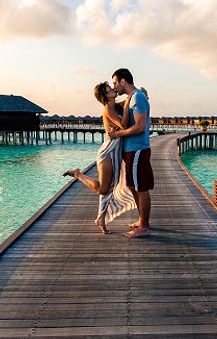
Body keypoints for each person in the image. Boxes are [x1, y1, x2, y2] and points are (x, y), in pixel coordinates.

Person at [62, 82, 137, 234]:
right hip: (108, 152)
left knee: (110, 187)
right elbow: (123, 125)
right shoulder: (108, 109)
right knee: (103, 188)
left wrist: (136, 96)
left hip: (115, 151)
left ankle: (100, 219)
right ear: (105, 95)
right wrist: (128, 102)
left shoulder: (114, 106)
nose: (113, 89)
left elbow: (128, 102)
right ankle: (78, 174)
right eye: (109, 89)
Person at [108, 68, 153, 238]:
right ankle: (142, 221)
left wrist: (117, 134)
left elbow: (140, 126)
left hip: (137, 149)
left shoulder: (137, 98)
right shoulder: (133, 98)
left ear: (123, 81)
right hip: (131, 150)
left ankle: (145, 227)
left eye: (115, 83)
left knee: (141, 187)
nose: (114, 87)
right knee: (133, 186)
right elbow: (112, 105)